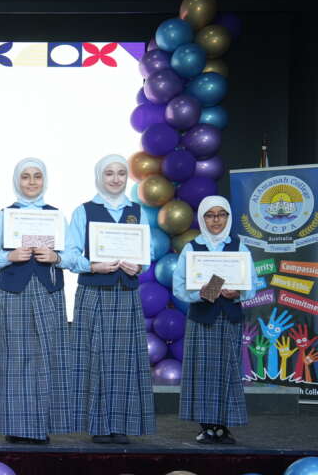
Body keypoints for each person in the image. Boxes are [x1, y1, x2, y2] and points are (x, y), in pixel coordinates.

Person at [62, 154, 155, 444]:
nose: (116, 179)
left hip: (125, 292)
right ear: (99, 177)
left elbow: (148, 254)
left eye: (121, 173)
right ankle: (98, 425)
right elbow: (69, 255)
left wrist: (139, 266)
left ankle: (120, 424)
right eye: (109, 173)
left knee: (124, 360)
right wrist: (93, 265)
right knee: (94, 357)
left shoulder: (136, 211)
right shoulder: (84, 210)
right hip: (93, 291)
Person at [0, 158, 73, 444]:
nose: (31, 182)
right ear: (16, 181)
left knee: (46, 359)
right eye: (25, 177)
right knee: (13, 360)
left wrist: (56, 257)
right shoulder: (5, 215)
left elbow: (73, 255)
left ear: (44, 181)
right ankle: (14, 425)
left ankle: (41, 426)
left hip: (48, 293)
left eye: (37, 176)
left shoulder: (56, 216)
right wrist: (9, 256)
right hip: (14, 293)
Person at [173, 195, 259, 443]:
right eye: (210, 215)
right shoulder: (192, 248)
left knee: (227, 371)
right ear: (202, 218)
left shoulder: (239, 246)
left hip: (229, 318)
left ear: (228, 217)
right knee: (202, 373)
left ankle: (222, 426)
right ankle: (207, 426)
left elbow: (252, 284)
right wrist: (200, 293)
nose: (216, 220)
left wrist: (239, 292)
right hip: (202, 318)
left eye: (221, 214)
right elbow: (179, 287)